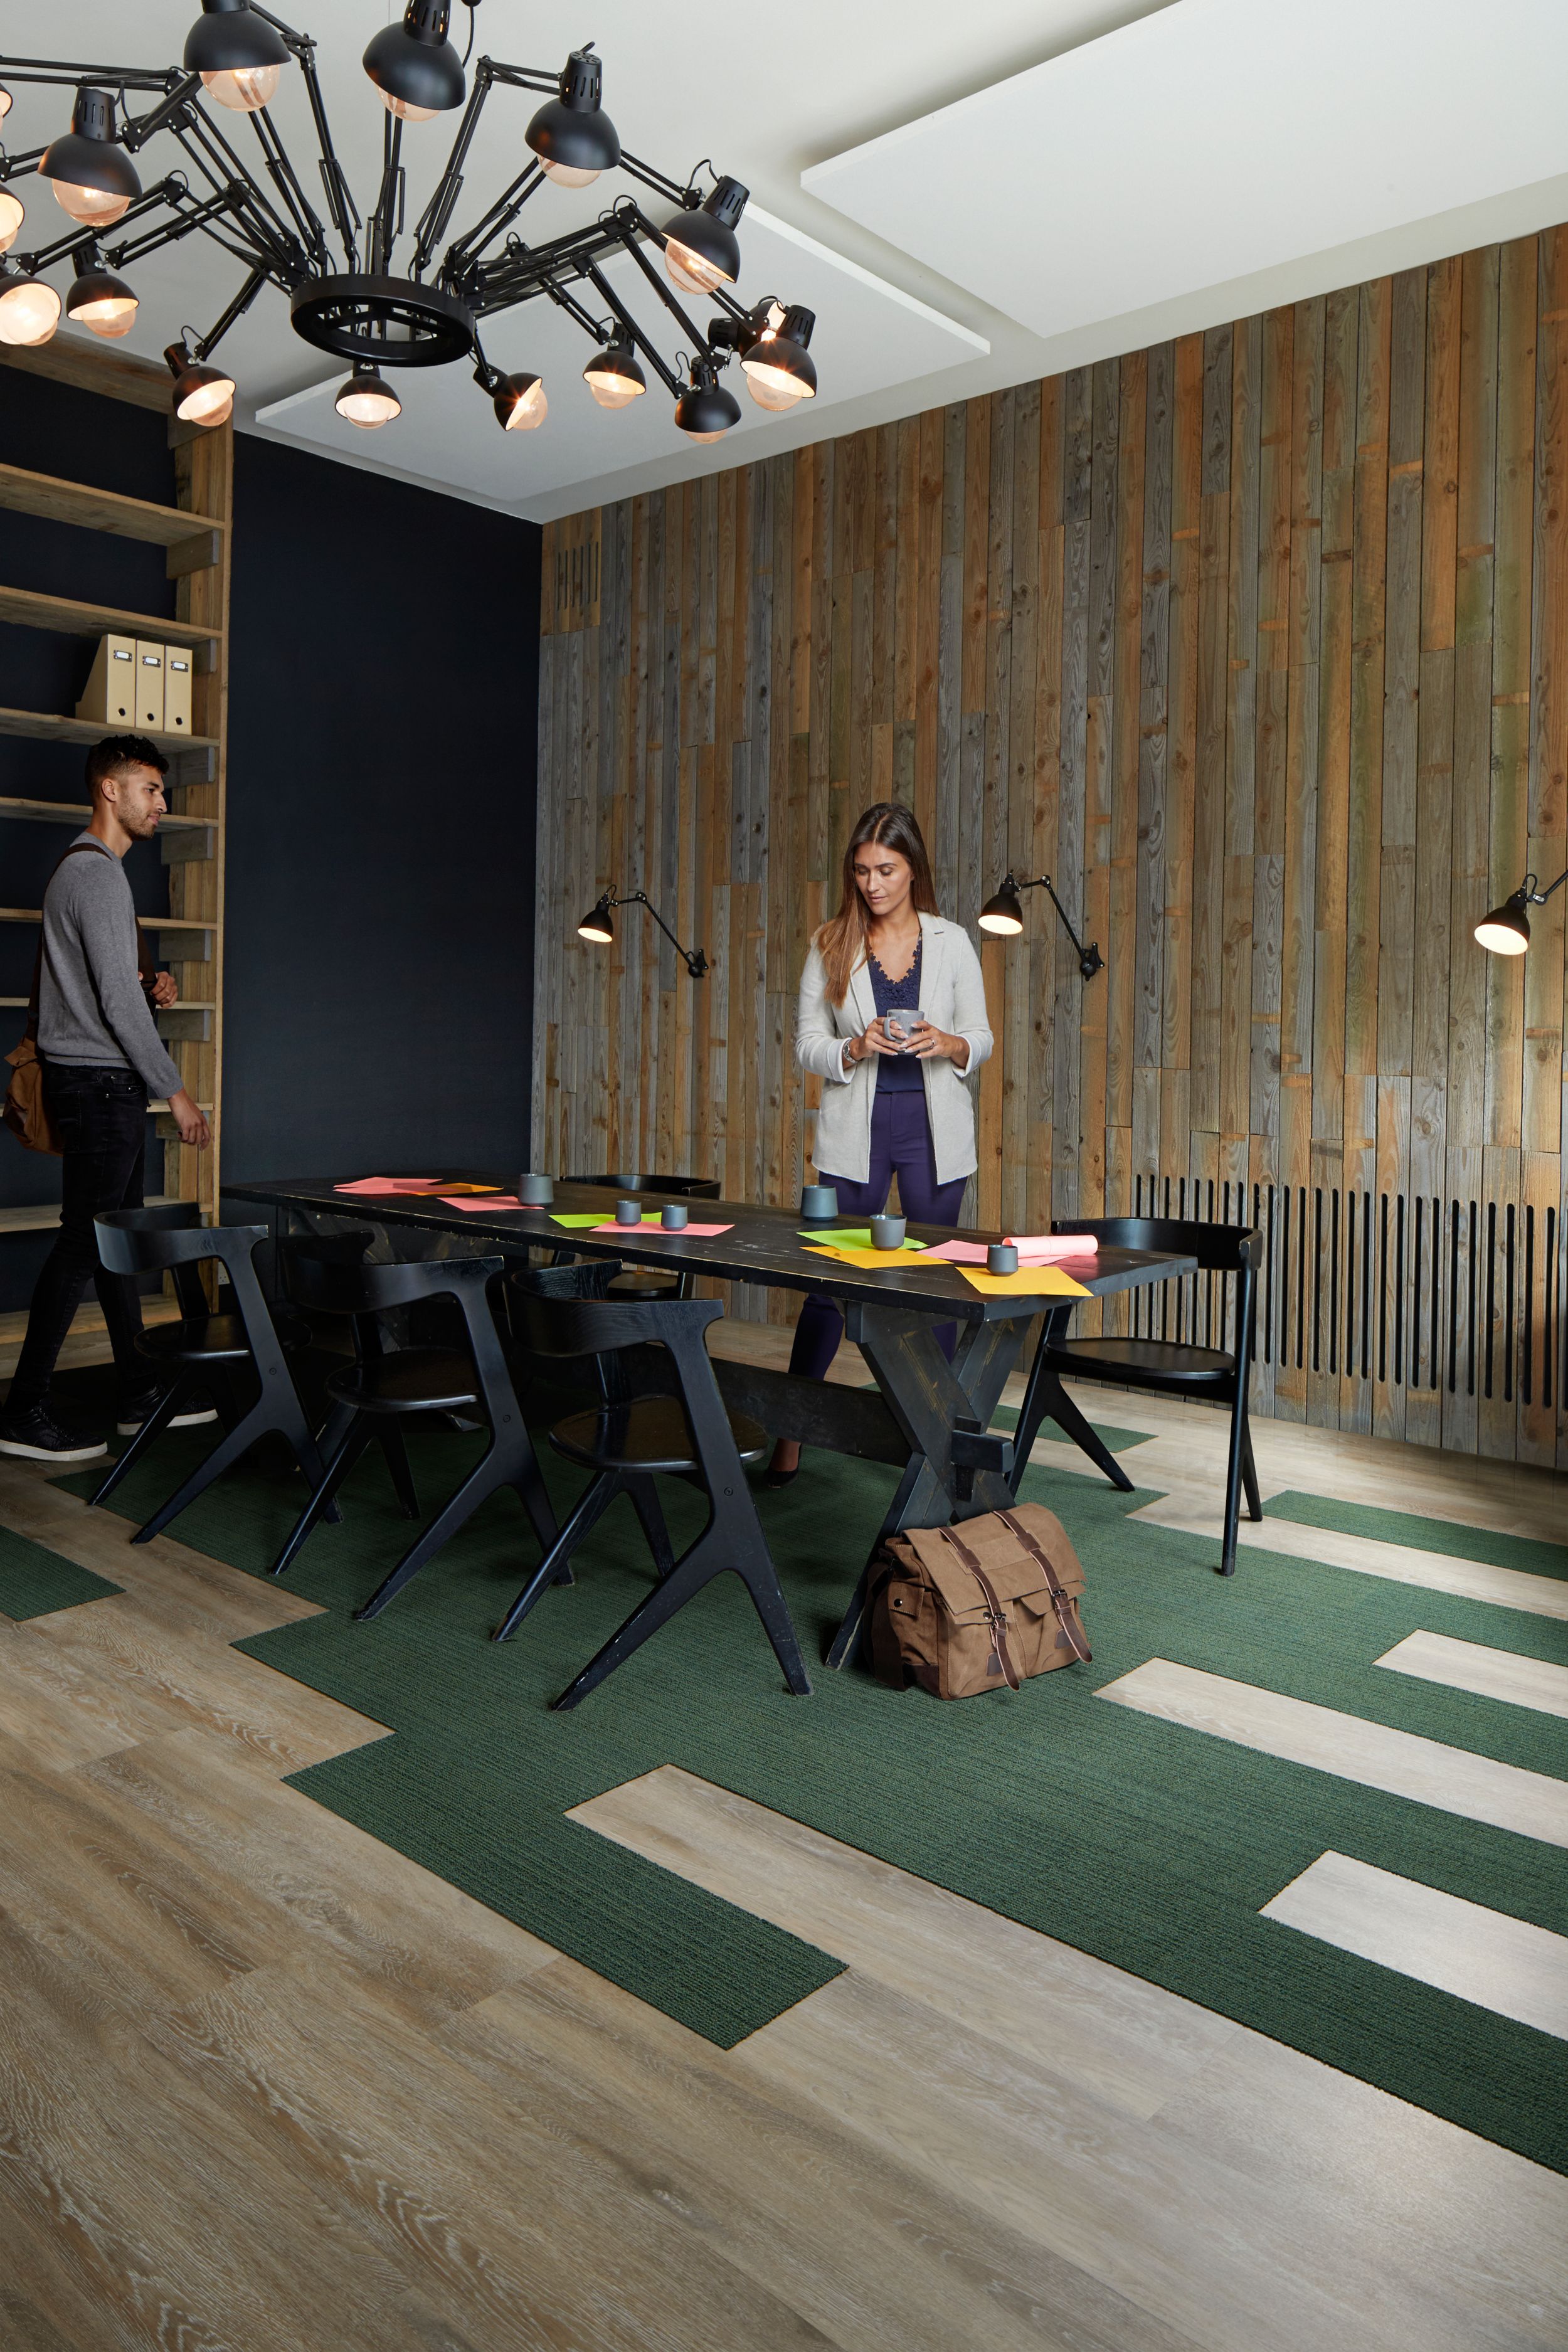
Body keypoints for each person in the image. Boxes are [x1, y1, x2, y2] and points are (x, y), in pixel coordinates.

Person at [762, 800, 993, 1486]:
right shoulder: (829, 942)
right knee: (827, 1285)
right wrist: (853, 1047)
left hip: (932, 1132)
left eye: (886, 870)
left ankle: (937, 1441)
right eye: (862, 871)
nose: (873, 884)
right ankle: (789, 1433)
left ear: (912, 867)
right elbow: (805, 1043)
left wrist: (948, 1043)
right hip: (854, 1132)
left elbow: (979, 1036)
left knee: (934, 1286)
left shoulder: (952, 943)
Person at [0, 736, 213, 1462]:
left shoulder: (94, 874)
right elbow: (117, 1009)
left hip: (98, 1082)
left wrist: (153, 987)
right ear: (109, 792)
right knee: (80, 1245)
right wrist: (177, 1095)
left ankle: (137, 1391)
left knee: (110, 1239)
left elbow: (114, 990)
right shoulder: (98, 876)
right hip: (100, 1085)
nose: (162, 803)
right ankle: (23, 1409)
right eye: (150, 788)